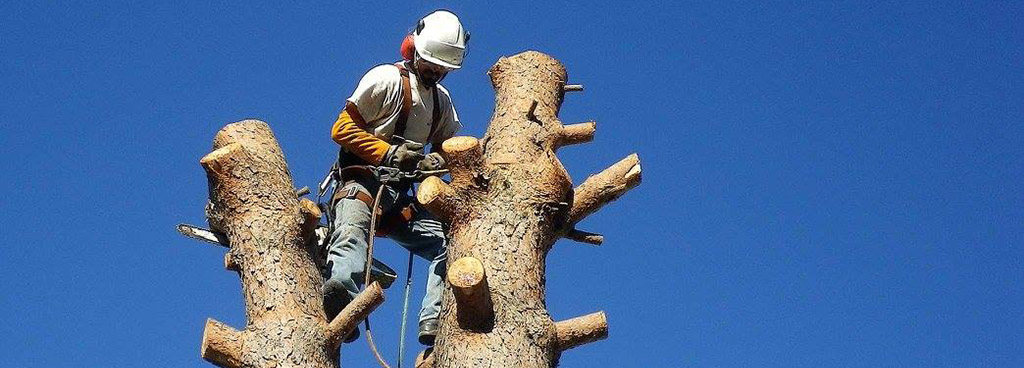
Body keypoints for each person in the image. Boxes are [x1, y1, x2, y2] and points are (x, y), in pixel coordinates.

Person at [322, 9, 469, 346]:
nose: (436, 72)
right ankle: (340, 297)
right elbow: (341, 128)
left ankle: (435, 317)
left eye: (442, 68)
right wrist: (389, 153)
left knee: (448, 245)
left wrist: (436, 161)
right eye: (432, 64)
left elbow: (450, 151)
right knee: (351, 233)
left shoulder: (441, 103)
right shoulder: (386, 80)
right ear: (413, 48)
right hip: (362, 181)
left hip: (398, 202)